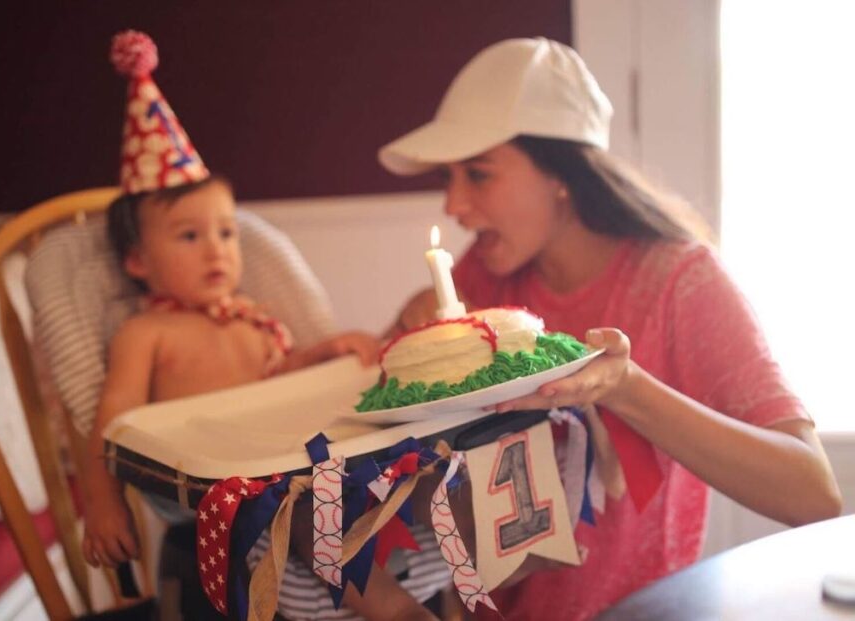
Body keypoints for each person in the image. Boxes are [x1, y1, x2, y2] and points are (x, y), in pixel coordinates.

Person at [379, 37, 842, 620]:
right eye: (449, 178)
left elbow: (814, 494)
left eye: (477, 175)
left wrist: (626, 387)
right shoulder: (484, 274)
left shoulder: (680, 283)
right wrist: (410, 323)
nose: (454, 204)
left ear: (560, 176)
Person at [83, 30, 450, 621]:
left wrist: (326, 352)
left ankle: (445, 561)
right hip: (221, 488)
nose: (218, 251)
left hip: (280, 457)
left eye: (226, 233)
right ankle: (394, 609)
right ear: (137, 262)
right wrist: (102, 505)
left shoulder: (251, 319)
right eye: (189, 236)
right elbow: (112, 427)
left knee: (394, 464)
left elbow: (280, 385)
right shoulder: (146, 333)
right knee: (303, 509)